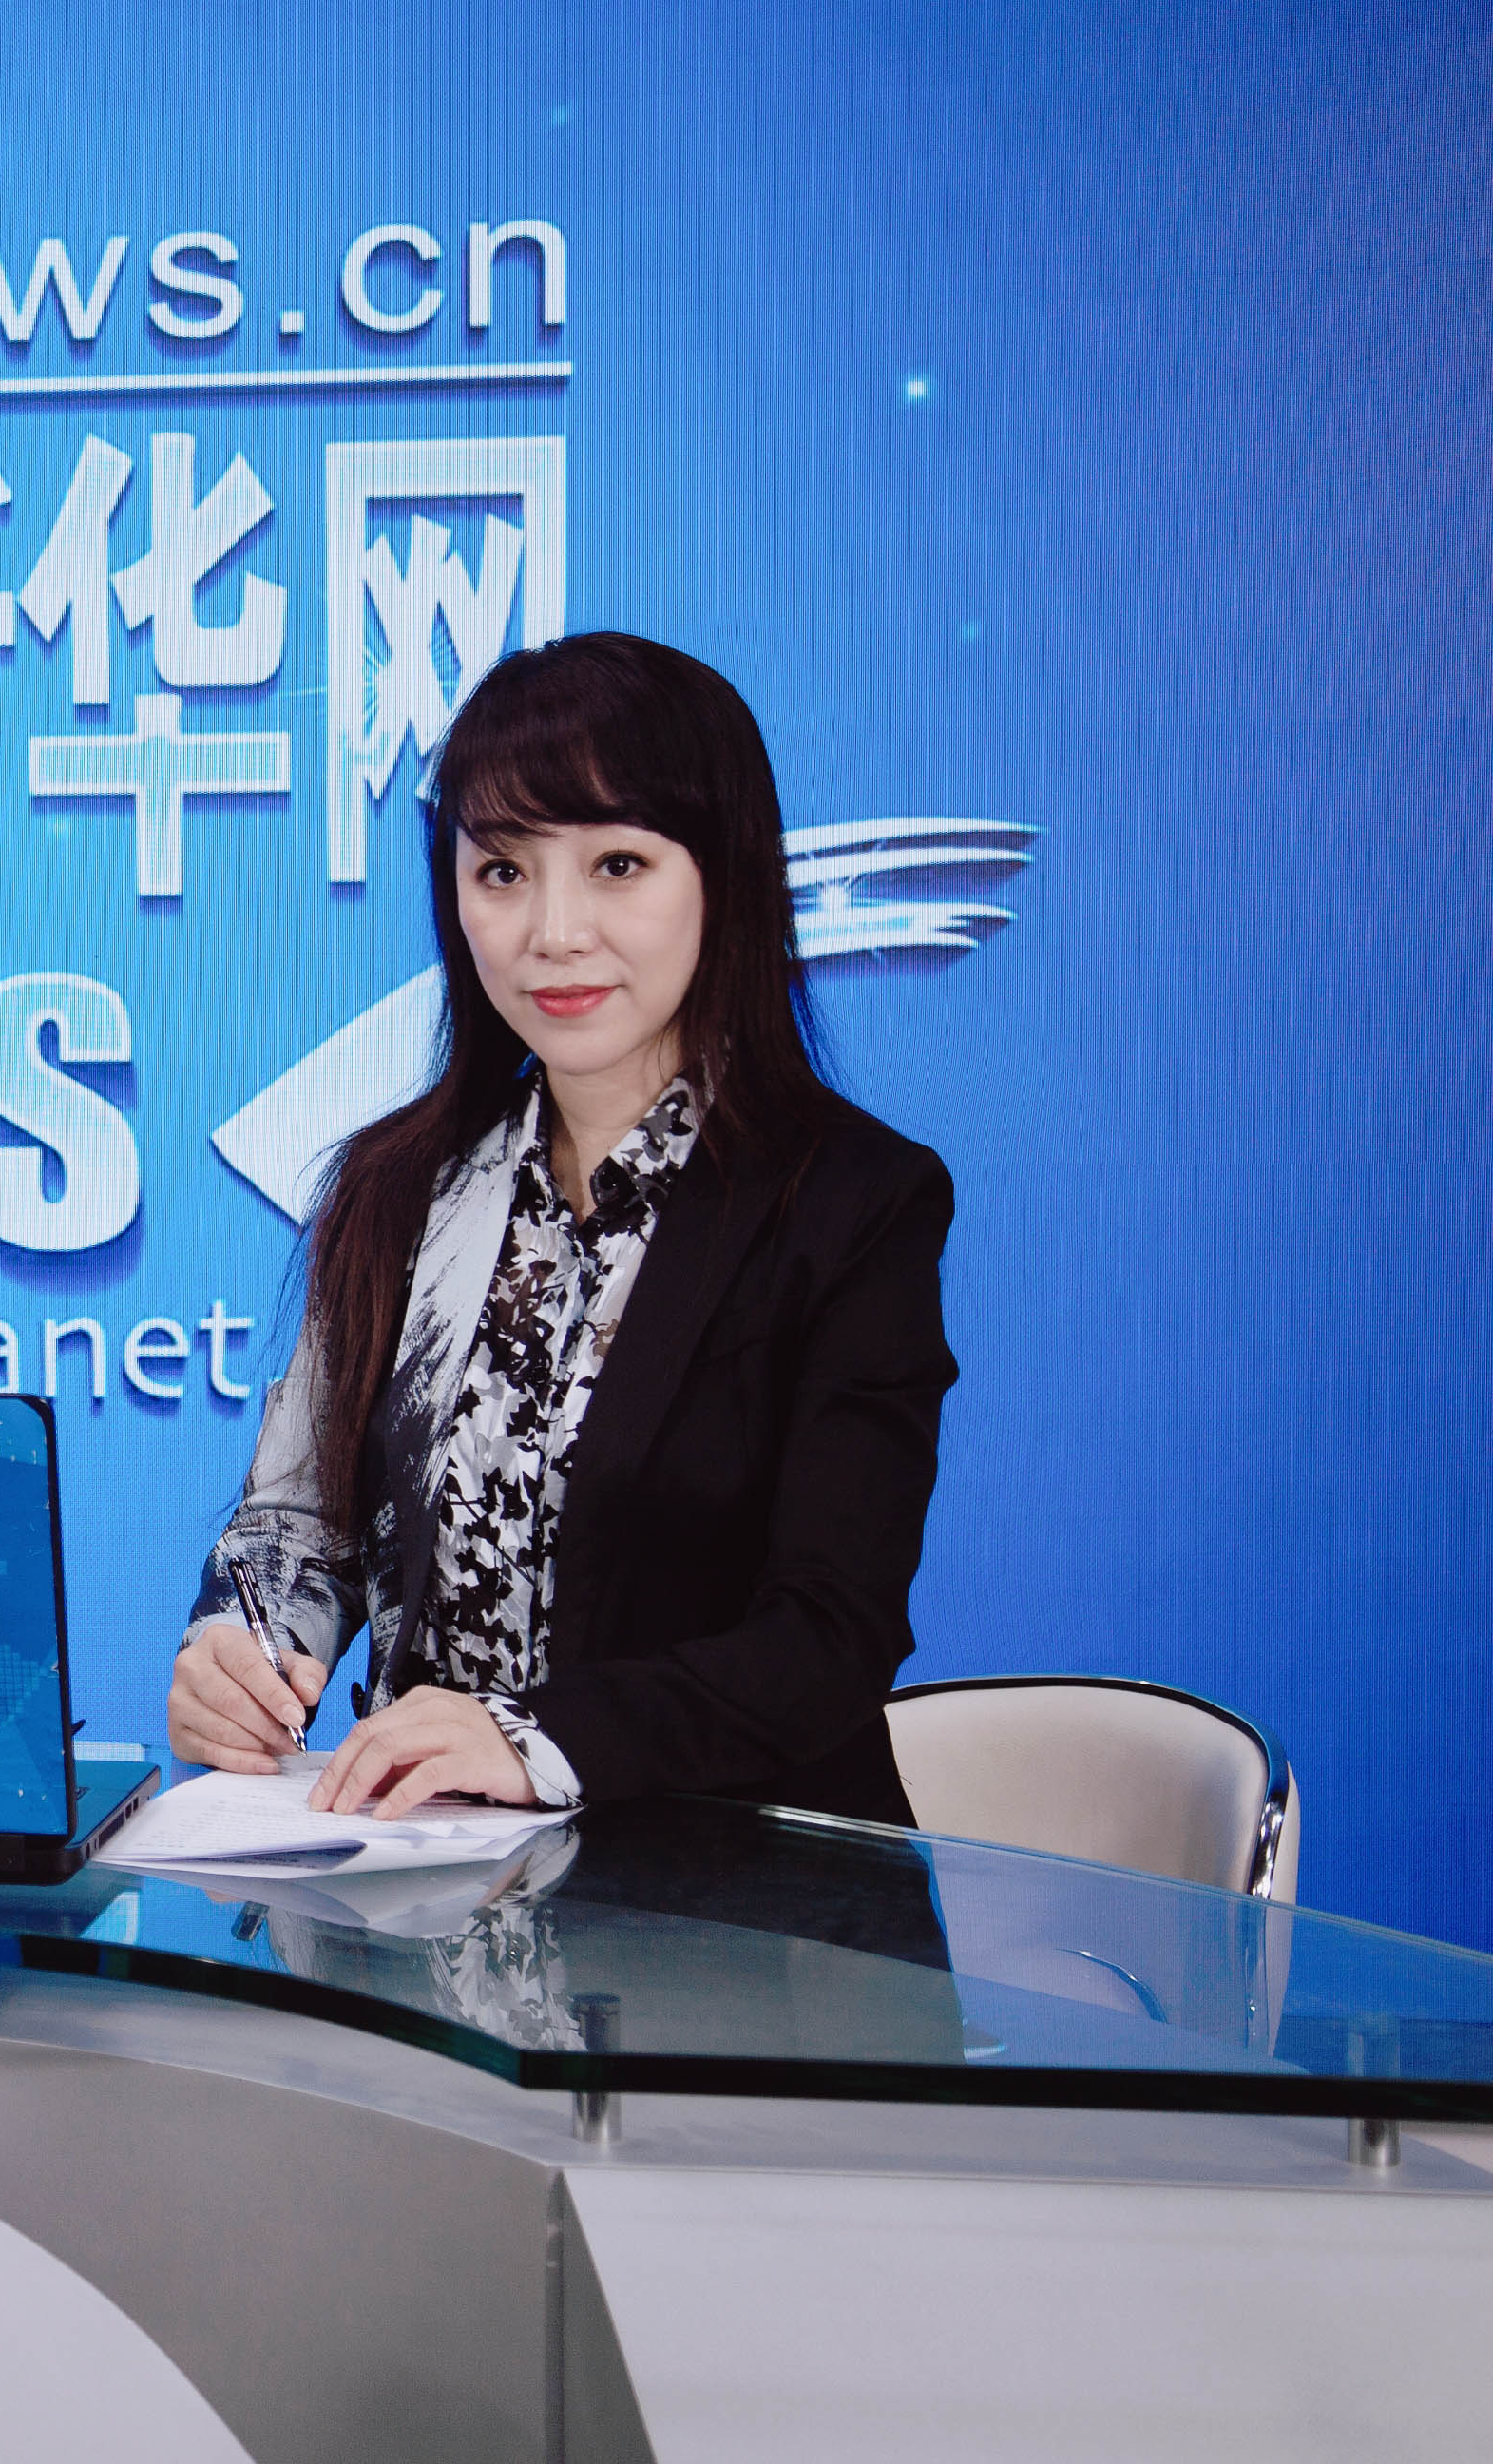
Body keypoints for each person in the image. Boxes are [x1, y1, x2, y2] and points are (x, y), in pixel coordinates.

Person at [163, 632, 955, 1827]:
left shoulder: (854, 1203)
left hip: (736, 1900)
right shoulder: (395, 1187)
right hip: (422, 1887)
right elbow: (299, 1527)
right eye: (503, 871)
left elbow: (827, 1636)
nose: (555, 931)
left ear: (725, 877)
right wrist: (241, 1650)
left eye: (618, 864)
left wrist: (531, 1738)